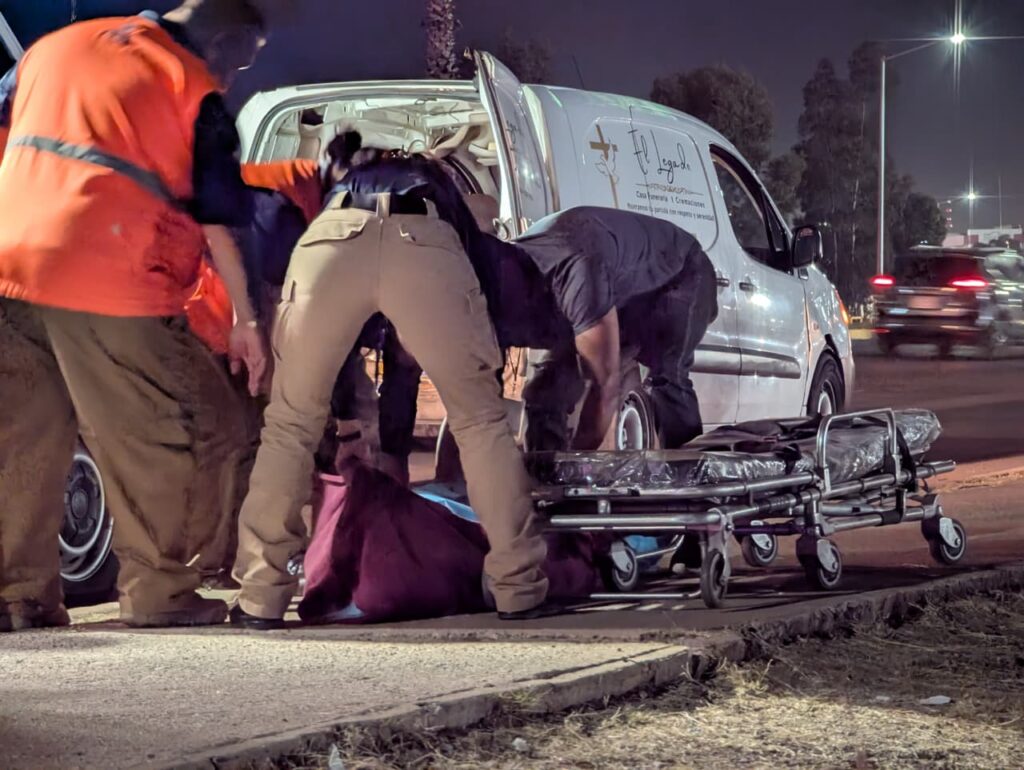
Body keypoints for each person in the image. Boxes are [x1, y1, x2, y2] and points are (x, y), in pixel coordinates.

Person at [0, 0, 268, 631]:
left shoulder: (57, 47)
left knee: (24, 440)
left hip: (10, 264)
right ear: (225, 40)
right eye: (243, 62)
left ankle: (18, 597)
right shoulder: (191, 86)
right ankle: (160, 592)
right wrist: (249, 322)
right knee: (170, 430)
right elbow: (222, 220)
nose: (236, 79)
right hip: (108, 270)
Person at [230, 149, 556, 628]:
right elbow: (435, 334)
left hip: (329, 241)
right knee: (480, 423)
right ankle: (518, 588)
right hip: (422, 237)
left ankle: (260, 597)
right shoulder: (443, 197)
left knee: (290, 424)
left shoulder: (338, 189)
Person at [506, 206, 719, 451]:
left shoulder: (575, 268)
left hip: (681, 274)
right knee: (545, 388)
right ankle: (543, 473)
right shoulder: (510, 280)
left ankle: (689, 477)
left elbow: (605, 384)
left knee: (667, 377)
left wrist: (579, 466)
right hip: (616, 289)